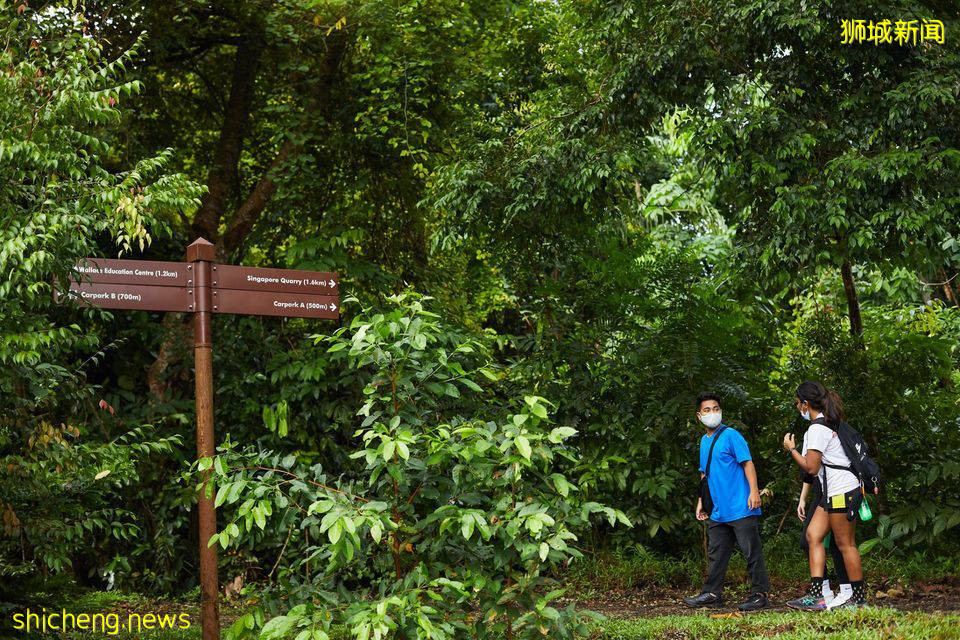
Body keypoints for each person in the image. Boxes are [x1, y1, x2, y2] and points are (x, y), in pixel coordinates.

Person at [782, 381, 867, 611]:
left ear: (806, 404)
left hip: (842, 491)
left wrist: (791, 449)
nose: (797, 407)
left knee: (845, 544)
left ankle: (858, 600)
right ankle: (818, 595)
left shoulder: (818, 429)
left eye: (798, 403)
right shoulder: (825, 425)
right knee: (812, 535)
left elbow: (811, 467)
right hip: (831, 492)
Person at [683, 392, 770, 611]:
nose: (712, 413)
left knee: (751, 551)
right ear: (698, 415)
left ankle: (759, 594)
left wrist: (754, 493)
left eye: (715, 408)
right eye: (707, 410)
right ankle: (712, 593)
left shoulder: (732, 435)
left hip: (741, 505)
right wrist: (701, 501)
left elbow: (747, 463)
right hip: (718, 509)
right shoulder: (704, 441)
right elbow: (705, 474)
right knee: (716, 553)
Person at [798, 472, 853, 608]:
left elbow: (811, 464)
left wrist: (792, 450)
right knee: (807, 541)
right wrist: (802, 499)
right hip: (820, 496)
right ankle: (824, 592)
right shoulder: (808, 450)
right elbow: (808, 472)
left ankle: (847, 592)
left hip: (839, 491)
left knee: (838, 543)